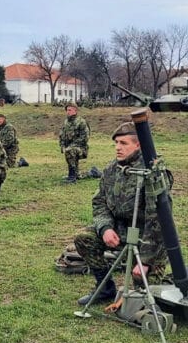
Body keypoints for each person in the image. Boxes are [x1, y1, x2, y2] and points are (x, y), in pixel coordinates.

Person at [73, 122, 168, 305]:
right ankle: (105, 287)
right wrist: (105, 228)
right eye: (116, 143)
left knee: (150, 297)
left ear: (138, 145)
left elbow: (157, 220)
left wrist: (146, 260)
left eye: (123, 143)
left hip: (146, 239)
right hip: (119, 231)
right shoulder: (111, 170)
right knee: (84, 238)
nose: (118, 148)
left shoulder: (152, 173)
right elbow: (99, 202)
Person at [59, 102, 89, 183]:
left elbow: (84, 138)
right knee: (69, 150)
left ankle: (72, 177)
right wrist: (62, 145)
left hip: (81, 148)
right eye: (67, 110)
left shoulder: (81, 122)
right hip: (71, 148)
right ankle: (78, 174)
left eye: (70, 110)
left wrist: (71, 146)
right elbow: (61, 135)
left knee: (69, 151)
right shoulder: (66, 122)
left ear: (75, 110)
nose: (67, 112)